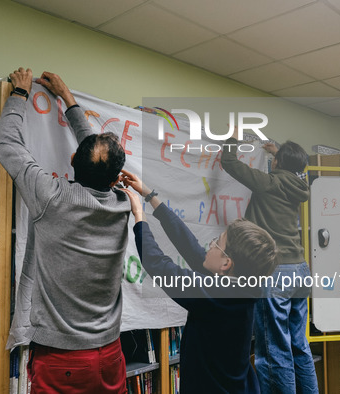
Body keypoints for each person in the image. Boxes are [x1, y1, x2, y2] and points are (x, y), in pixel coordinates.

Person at [0, 67, 130, 394]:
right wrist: (67, 98)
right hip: (111, 352)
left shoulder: (51, 196)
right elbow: (97, 161)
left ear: (72, 162)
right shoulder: (123, 203)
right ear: (115, 181)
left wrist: (19, 94)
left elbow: (7, 143)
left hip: (62, 359)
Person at [120, 169, 278, 394]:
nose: (210, 245)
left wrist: (139, 218)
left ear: (226, 264)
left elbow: (157, 264)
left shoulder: (217, 295)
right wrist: (150, 196)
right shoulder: (242, 285)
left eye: (216, 243)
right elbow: (191, 248)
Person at [221, 134, 319, 394]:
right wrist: (279, 154)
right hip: (300, 269)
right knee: (299, 345)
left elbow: (229, 162)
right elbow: (293, 171)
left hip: (276, 272)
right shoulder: (301, 186)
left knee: (274, 350)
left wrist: (231, 138)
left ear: (277, 163)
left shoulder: (268, 183)